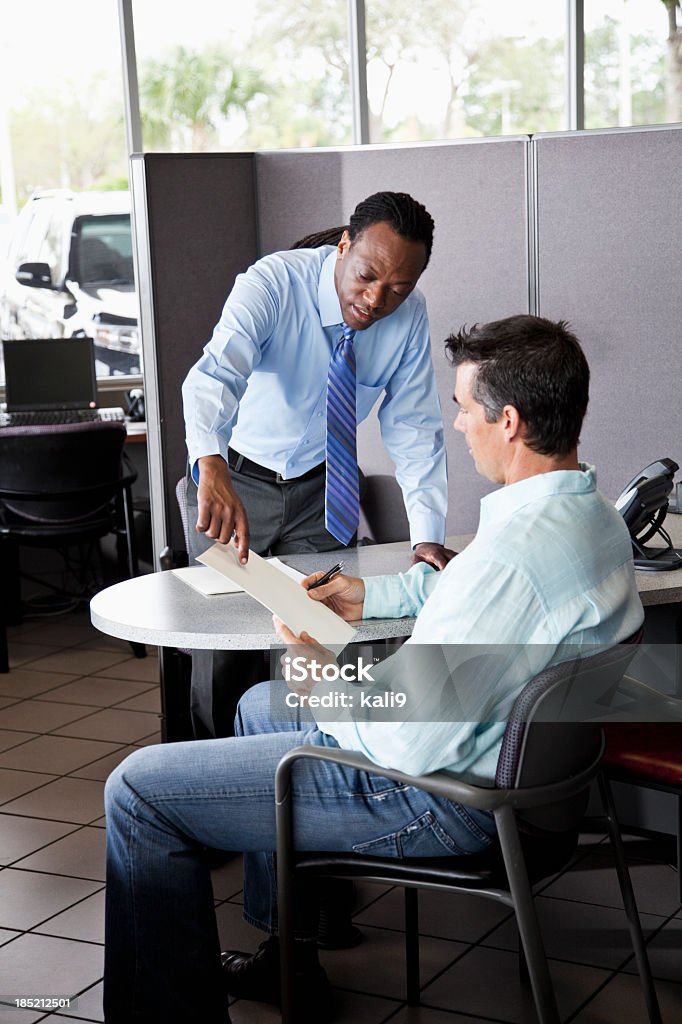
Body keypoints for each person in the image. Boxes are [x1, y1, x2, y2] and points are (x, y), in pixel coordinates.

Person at [104, 314, 643, 1024]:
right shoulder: (593, 518)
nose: (457, 425)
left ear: (507, 421)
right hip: (504, 770)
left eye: (462, 408)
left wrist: (319, 665)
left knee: (138, 789)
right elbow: (470, 593)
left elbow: (406, 737)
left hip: (440, 798)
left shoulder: (513, 559)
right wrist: (366, 597)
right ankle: (287, 946)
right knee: (262, 704)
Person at [182, 190, 453, 739]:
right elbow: (215, 376)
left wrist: (427, 536)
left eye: (398, 288)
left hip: (320, 494)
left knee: (318, 635)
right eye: (367, 275)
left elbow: (415, 430)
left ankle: (298, 775)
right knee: (225, 649)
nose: (376, 299)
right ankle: (211, 765)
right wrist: (209, 463)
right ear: (344, 245)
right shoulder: (274, 283)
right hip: (235, 482)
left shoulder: (408, 320)